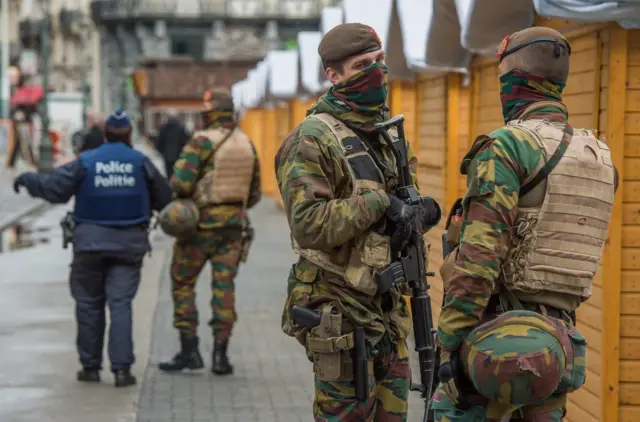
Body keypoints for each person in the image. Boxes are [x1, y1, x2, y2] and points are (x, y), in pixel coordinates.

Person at [432, 27, 618, 421]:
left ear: (514, 82)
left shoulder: (508, 146)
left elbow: (479, 259)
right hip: (559, 349)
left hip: (496, 345)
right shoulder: (599, 157)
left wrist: (449, 343)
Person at [275, 23, 441, 420]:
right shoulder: (312, 138)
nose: (376, 72)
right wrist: (380, 203)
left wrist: (419, 211)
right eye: (361, 65)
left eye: (380, 61)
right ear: (333, 75)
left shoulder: (386, 134)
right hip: (339, 306)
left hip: (386, 308)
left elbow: (400, 206)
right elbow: (307, 223)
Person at [13, 108, 172, 387]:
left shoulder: (86, 161)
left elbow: (54, 188)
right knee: (121, 305)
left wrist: (27, 180)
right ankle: (122, 370)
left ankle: (90, 367)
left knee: (88, 305)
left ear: (105, 134)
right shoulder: (140, 162)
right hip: (129, 247)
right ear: (129, 134)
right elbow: (164, 198)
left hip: (88, 246)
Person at [158, 87, 261, 375]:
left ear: (209, 114)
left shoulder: (201, 142)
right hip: (233, 230)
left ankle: (189, 350)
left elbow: (179, 182)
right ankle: (220, 356)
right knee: (224, 289)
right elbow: (253, 195)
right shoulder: (246, 143)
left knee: (182, 282)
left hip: (198, 229)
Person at [155, 109, 190, 179]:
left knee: (169, 174)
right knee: (178, 175)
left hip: (167, 157)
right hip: (179, 156)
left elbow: (159, 143)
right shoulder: (181, 129)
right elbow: (186, 142)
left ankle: (170, 187)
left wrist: (163, 153)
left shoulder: (163, 129)